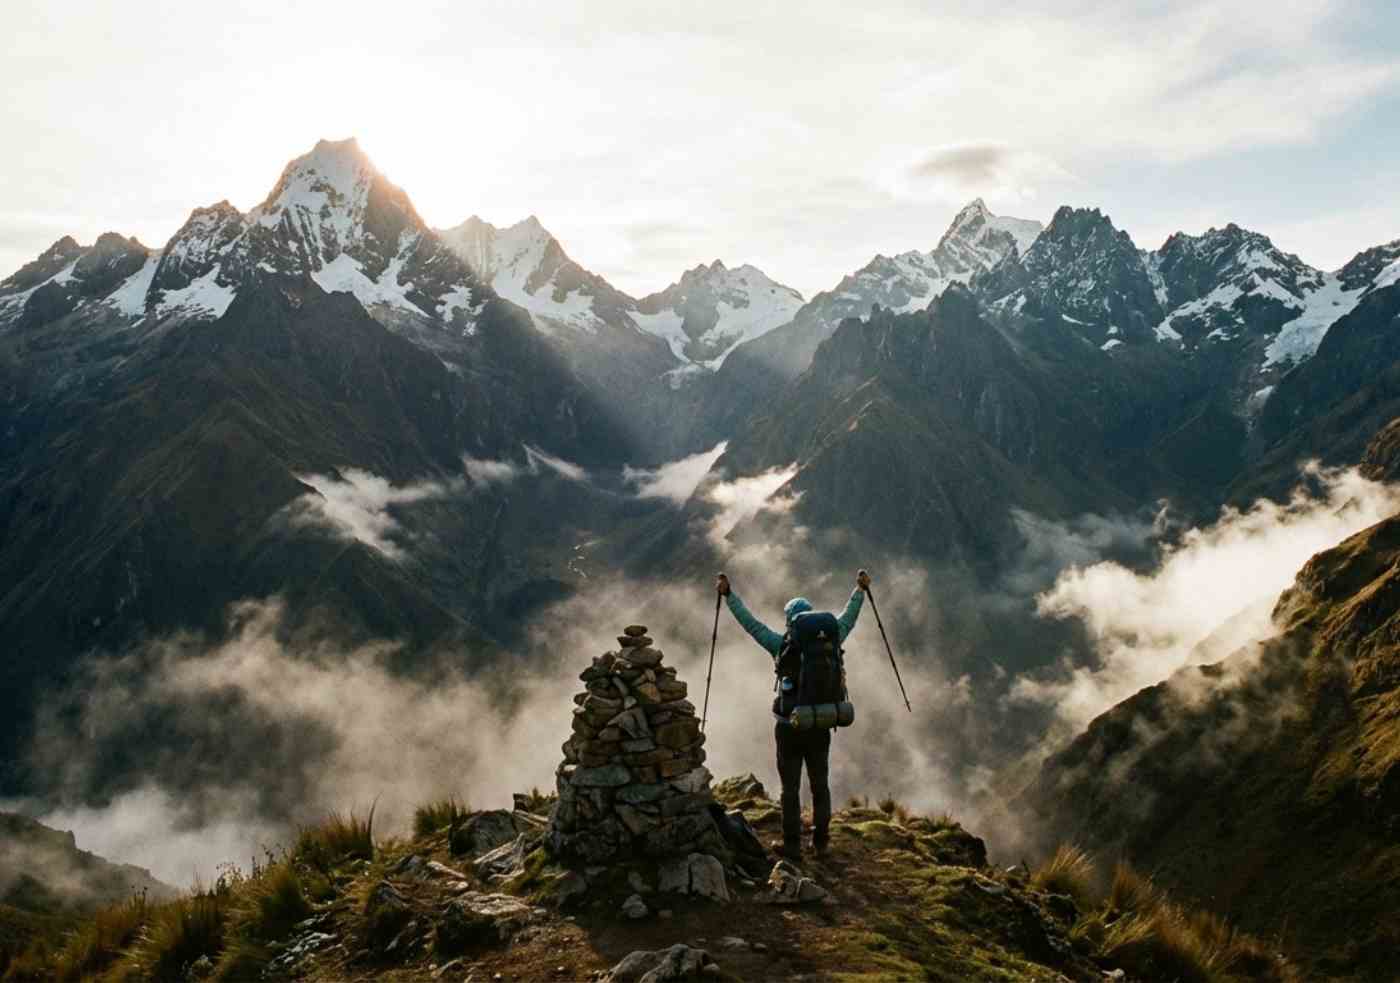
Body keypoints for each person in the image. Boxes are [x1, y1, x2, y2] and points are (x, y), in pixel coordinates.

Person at [715, 569, 871, 861]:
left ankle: (792, 846)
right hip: (821, 721)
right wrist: (859, 590)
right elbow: (849, 617)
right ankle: (822, 843)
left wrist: (728, 596)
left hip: (788, 727)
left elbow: (752, 625)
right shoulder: (831, 639)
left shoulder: (781, 645)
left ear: (790, 623)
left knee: (790, 788)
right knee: (819, 784)